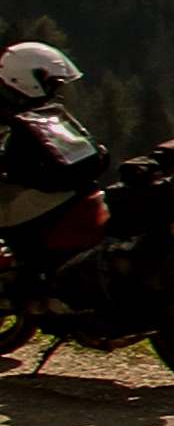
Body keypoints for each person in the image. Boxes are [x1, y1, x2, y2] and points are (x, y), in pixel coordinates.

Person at [0, 42, 103, 264]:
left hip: (48, 199)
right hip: (76, 193)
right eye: (51, 83)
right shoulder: (48, 115)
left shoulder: (20, 119)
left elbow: (15, 167)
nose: (54, 90)